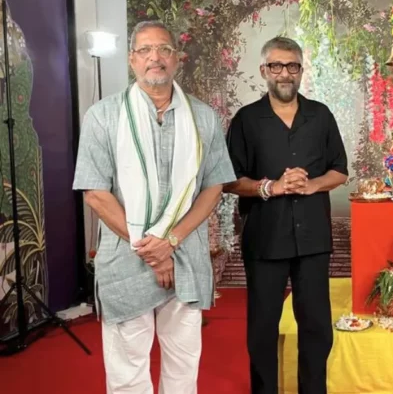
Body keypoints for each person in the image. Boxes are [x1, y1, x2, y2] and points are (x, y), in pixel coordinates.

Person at [72, 20, 236, 393]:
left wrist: (172, 241)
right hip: (127, 261)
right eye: (145, 50)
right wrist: (152, 250)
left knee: (183, 364)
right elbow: (95, 193)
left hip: (186, 257)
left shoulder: (202, 117)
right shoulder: (104, 115)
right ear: (132, 60)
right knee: (127, 371)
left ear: (177, 58)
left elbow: (214, 186)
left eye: (163, 49)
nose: (154, 58)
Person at [224, 36, 348, 394]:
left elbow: (340, 170)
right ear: (264, 70)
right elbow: (229, 180)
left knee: (316, 328)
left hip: (312, 239)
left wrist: (311, 185)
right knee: (262, 329)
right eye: (276, 66)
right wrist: (272, 187)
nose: (284, 73)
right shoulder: (247, 120)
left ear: (301, 71)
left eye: (292, 66)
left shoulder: (320, 114)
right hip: (265, 239)